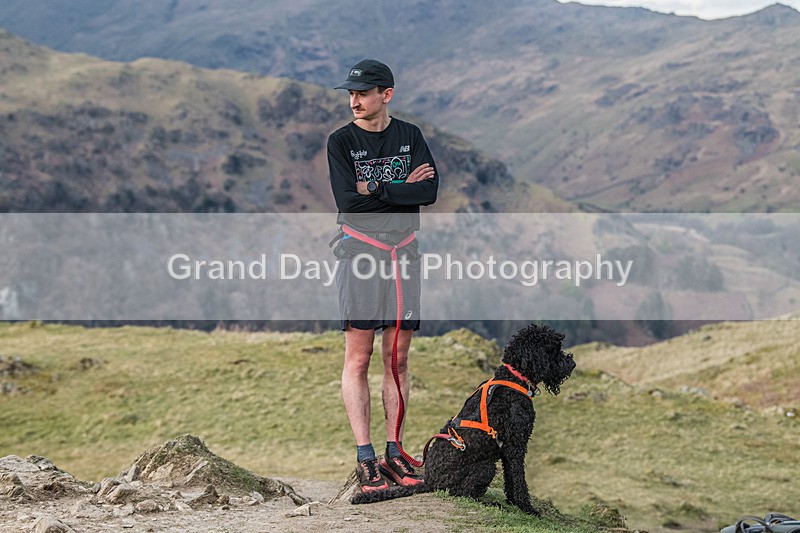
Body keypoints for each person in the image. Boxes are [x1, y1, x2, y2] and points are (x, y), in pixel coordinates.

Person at [327, 59, 439, 494]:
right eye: (351, 94)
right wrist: (398, 188)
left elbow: (427, 192)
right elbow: (347, 204)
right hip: (360, 256)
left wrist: (374, 189)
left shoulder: (410, 136)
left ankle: (396, 451)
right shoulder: (341, 142)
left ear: (386, 94)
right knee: (359, 358)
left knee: (398, 359)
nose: (354, 100)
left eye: (363, 92)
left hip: (404, 256)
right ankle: (366, 459)